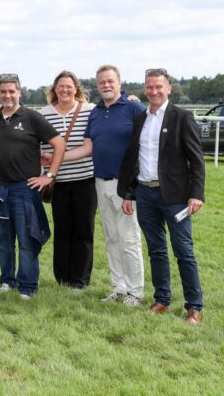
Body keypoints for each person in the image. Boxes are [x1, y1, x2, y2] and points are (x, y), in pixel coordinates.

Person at [118, 68, 205, 324]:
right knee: (156, 250)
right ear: (145, 89)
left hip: (176, 197)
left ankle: (194, 306)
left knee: (183, 251)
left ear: (168, 88)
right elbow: (133, 160)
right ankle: (162, 299)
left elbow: (196, 161)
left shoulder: (182, 117)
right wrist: (128, 193)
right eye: (149, 87)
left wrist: (196, 194)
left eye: (159, 87)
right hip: (145, 194)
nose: (154, 92)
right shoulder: (140, 119)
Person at [61, 65, 146, 306]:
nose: (106, 85)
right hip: (100, 181)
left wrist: (134, 185)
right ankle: (118, 287)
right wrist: (56, 159)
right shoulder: (96, 112)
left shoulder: (133, 108)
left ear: (119, 83)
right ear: (97, 86)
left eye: (110, 81)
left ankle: (136, 292)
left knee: (128, 238)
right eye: (102, 82)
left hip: (126, 185)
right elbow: (88, 148)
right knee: (111, 237)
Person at [0, 73, 65, 299]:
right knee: (3, 241)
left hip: (25, 189)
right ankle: (7, 280)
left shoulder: (32, 117)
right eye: (3, 91)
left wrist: (50, 175)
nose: (7, 95)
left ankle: (28, 286)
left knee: (27, 240)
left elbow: (59, 143)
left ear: (19, 93)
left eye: (11, 91)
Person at [39, 71, 97, 289]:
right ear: (54, 89)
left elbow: (88, 147)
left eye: (69, 86)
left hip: (85, 180)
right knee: (63, 230)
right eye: (60, 86)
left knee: (84, 231)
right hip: (58, 182)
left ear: (76, 88)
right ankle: (62, 278)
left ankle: (80, 280)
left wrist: (131, 98)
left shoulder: (90, 111)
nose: (64, 90)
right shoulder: (43, 114)